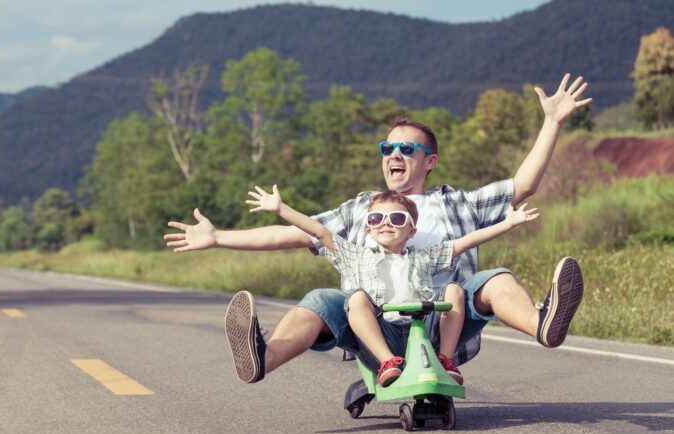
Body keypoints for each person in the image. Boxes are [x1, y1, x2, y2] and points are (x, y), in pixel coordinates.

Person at [165, 73, 590, 385]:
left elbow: (522, 186)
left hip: (445, 325)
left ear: (429, 161)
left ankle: (541, 324)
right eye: (388, 147)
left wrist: (552, 122)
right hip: (375, 329)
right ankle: (262, 357)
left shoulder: (457, 203)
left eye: (407, 148)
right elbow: (296, 234)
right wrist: (218, 237)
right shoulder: (362, 209)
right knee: (320, 300)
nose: (394, 154)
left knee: (496, 279)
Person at [244, 184, 539, 386]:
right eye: (377, 218)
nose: (386, 223)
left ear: (411, 231)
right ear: (368, 229)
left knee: (453, 289)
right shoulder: (355, 256)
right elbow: (319, 232)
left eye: (397, 218)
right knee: (357, 299)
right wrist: (281, 209)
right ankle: (388, 363)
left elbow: (466, 242)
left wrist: (508, 223)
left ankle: (446, 361)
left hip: (425, 334)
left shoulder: (424, 257)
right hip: (381, 338)